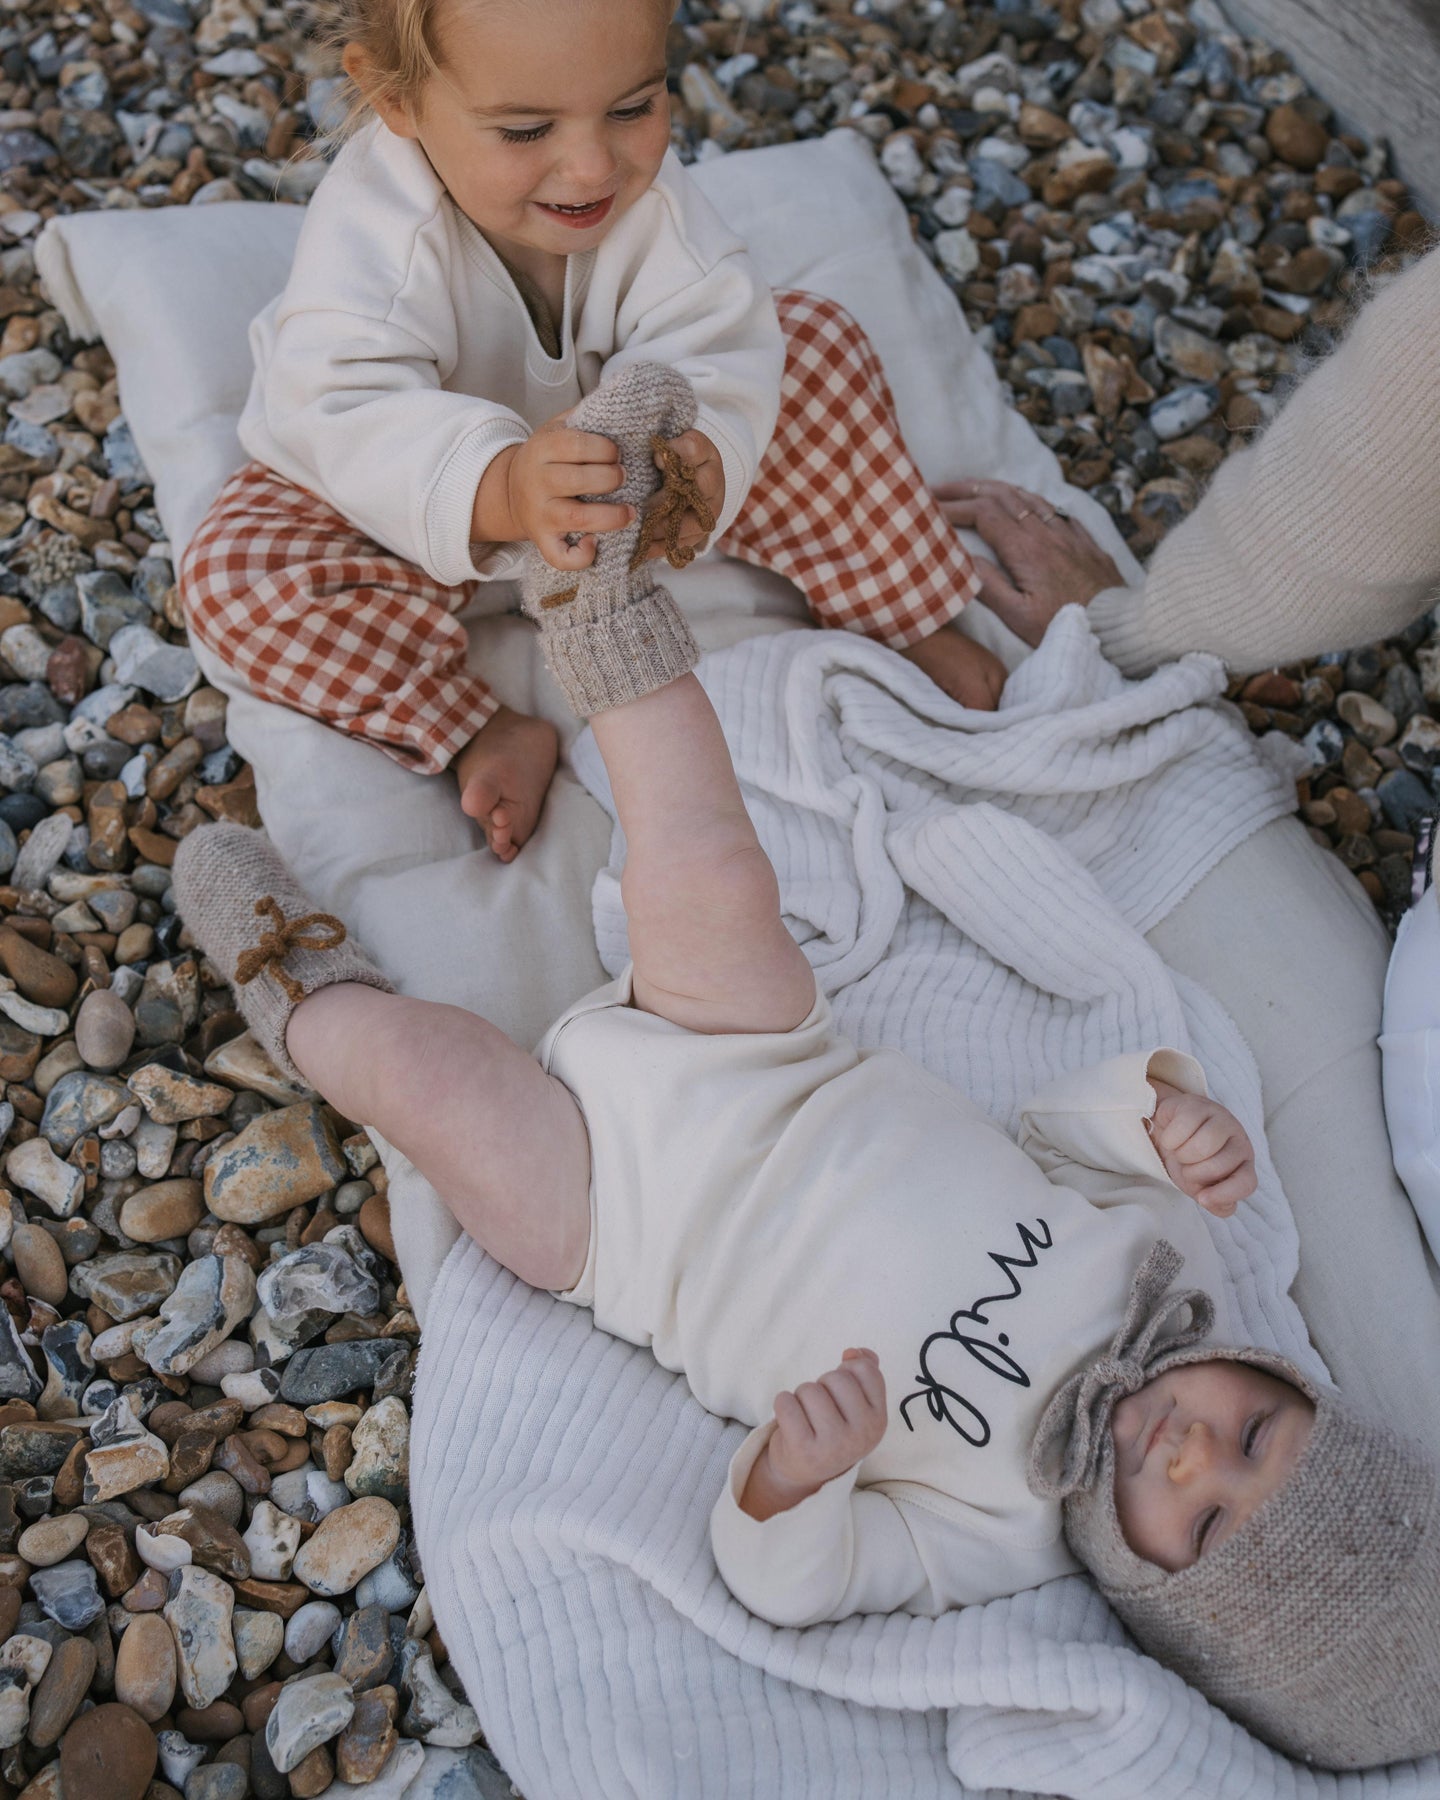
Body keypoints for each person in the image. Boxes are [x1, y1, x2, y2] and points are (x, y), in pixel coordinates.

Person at [172, 363, 1440, 1771]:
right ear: (1285, 1379)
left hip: (630, 1232)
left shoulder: (994, 1535)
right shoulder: (1173, 1277)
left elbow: (796, 1581)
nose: (1196, 1455)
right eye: (1259, 1430)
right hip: (771, 1059)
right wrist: (1157, 1120)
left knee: (430, 1088)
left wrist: (793, 1482)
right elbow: (1056, 1132)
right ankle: (599, 604)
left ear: (1158, 1600)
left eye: (1201, 1521)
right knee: (710, 854)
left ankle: (296, 980)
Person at [171, 0, 1083, 865]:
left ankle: (900, 604)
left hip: (617, 471)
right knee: (233, 577)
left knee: (814, 346)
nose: (593, 168)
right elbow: (343, 410)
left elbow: (717, 338)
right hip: (414, 495)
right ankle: (475, 727)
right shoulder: (371, 236)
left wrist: (707, 456)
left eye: (634, 107)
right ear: (395, 100)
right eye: (527, 131)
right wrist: (499, 486)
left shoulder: (653, 205)